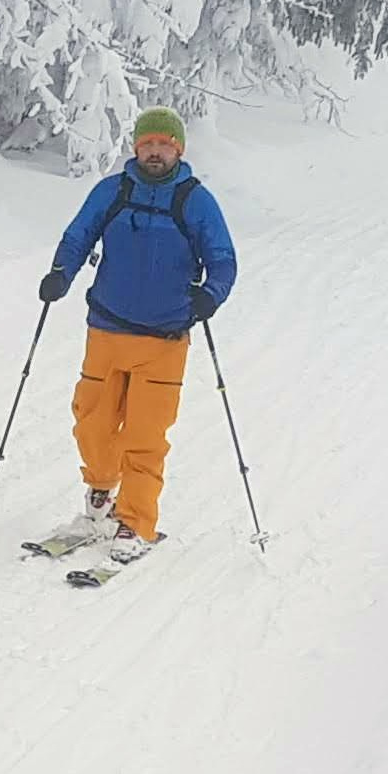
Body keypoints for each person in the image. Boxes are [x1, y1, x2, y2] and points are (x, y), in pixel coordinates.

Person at [37, 107, 238, 565]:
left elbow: (223, 259)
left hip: (164, 339)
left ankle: (135, 519)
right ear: (136, 148)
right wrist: (60, 274)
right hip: (106, 327)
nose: (154, 151)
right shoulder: (114, 191)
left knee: (146, 435)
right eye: (147, 143)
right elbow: (78, 235)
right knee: (92, 422)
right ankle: (102, 491)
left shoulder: (195, 200)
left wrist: (211, 295)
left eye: (164, 144)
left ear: (178, 149)